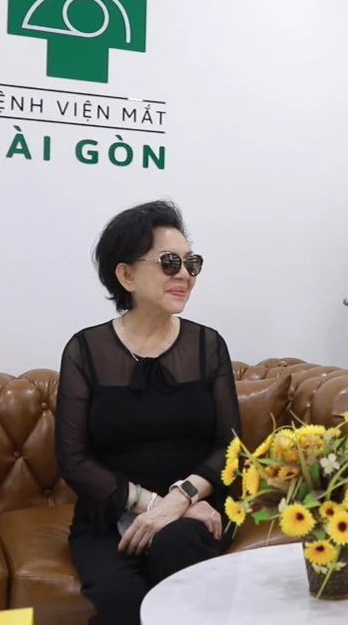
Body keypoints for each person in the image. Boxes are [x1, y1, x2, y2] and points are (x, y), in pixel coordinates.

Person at [55, 200, 241, 625]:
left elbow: (230, 446)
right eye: (170, 262)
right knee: (122, 602)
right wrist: (154, 505)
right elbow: (73, 459)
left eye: (192, 263)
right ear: (126, 275)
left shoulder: (208, 345)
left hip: (197, 511)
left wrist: (181, 500)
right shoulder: (85, 350)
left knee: (179, 550)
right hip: (111, 516)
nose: (185, 275)